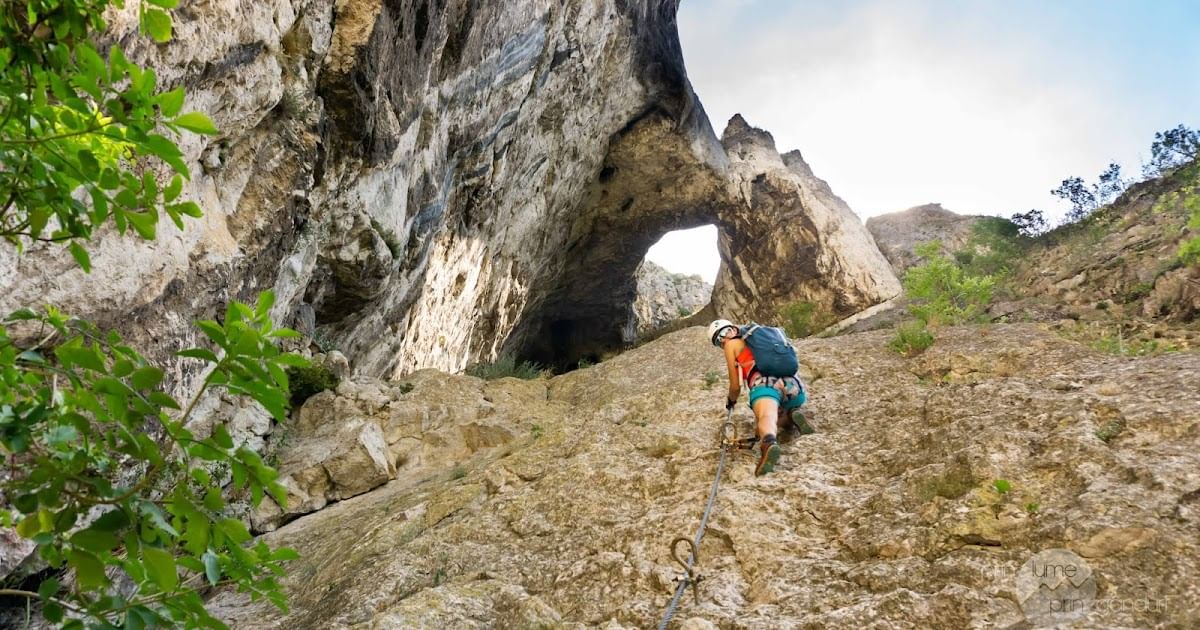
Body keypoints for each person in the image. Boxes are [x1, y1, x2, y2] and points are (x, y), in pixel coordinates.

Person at [707, 319, 809, 476]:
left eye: (722, 335)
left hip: (765, 384)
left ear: (733, 329)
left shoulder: (731, 345)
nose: (723, 340)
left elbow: (735, 386)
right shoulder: (759, 338)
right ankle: (789, 416)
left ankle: (769, 444)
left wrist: (731, 401)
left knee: (765, 418)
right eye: (718, 341)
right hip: (794, 386)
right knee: (767, 422)